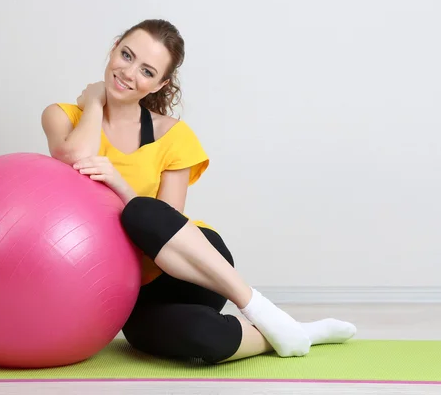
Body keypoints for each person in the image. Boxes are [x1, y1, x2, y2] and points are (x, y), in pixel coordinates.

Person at [41, 19, 357, 364]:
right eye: (126, 55)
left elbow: (162, 223)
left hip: (193, 267)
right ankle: (292, 330)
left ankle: (257, 306)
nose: (129, 73)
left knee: (141, 211)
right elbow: (74, 158)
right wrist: (94, 105)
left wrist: (119, 183)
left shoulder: (174, 135)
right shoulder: (62, 116)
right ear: (114, 47)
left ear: (160, 83)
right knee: (201, 339)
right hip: (131, 295)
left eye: (147, 71)